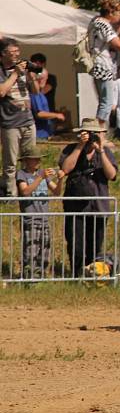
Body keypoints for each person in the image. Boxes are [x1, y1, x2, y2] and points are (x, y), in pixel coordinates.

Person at [59, 118, 118, 277]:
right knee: (75, 244)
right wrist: (80, 146)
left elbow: (112, 174)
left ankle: (91, 276)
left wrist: (101, 150)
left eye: (94, 133)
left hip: (98, 205)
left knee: (95, 245)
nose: (91, 136)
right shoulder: (70, 149)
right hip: (75, 206)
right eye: (88, 133)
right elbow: (65, 168)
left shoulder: (104, 152)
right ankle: (76, 275)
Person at [0, 38, 39, 197]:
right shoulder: (3, 71)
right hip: (10, 123)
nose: (17, 55)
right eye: (13, 52)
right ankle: (11, 195)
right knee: (10, 163)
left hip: (28, 121)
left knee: (31, 157)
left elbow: (36, 91)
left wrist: (31, 74)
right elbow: (2, 92)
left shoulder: (23, 70)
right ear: (3, 54)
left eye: (18, 51)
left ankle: (28, 192)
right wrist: (16, 73)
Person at [16, 150, 64, 278]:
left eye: (39, 159)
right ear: (26, 160)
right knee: (30, 250)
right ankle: (28, 276)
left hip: (44, 218)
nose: (38, 161)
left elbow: (56, 192)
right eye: (34, 159)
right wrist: (40, 178)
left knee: (45, 249)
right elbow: (25, 191)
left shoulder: (42, 174)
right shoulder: (22, 174)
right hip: (30, 219)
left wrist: (60, 179)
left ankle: (40, 275)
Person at [89, 0, 120, 129]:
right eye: (119, 12)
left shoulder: (95, 22)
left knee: (104, 101)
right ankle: (99, 134)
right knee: (106, 103)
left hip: (98, 65)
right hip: (104, 66)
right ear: (111, 12)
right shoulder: (103, 24)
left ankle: (99, 132)